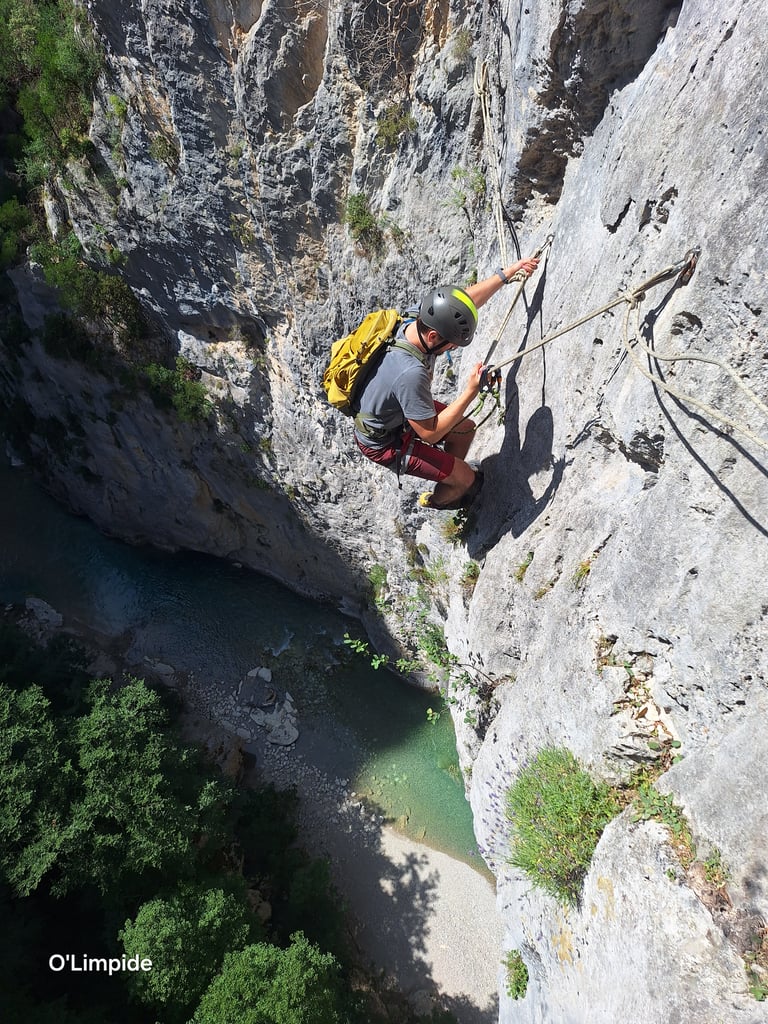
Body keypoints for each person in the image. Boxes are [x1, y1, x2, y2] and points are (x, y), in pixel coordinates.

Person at [353, 257, 540, 509]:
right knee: (467, 479)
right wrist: (471, 391)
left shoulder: (415, 319)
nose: (453, 347)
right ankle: (441, 497)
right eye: (452, 342)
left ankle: (451, 475)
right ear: (433, 337)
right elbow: (431, 434)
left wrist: (507, 275)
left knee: (466, 429)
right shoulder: (410, 373)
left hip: (397, 411)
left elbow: (463, 303)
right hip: (383, 442)